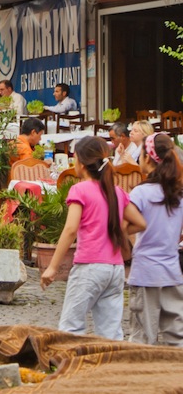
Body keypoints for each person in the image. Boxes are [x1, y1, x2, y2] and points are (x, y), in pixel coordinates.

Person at [41, 136, 146, 339]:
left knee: (70, 328)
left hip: (89, 266)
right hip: (115, 270)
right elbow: (140, 223)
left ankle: (71, 369)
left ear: (81, 162)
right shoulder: (116, 192)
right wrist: (119, 229)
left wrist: (52, 267)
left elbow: (70, 229)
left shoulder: (79, 190)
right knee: (111, 333)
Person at [127, 133, 183, 345]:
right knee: (177, 340)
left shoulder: (140, 193)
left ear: (147, 158)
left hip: (145, 274)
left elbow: (124, 227)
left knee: (142, 339)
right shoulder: (178, 193)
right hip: (172, 272)